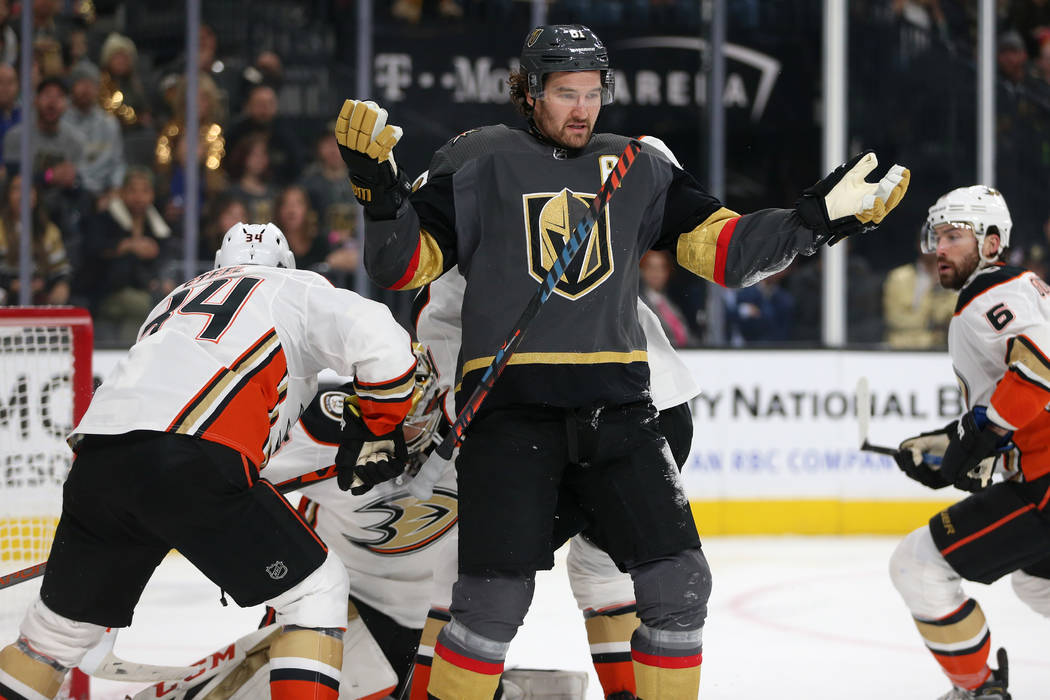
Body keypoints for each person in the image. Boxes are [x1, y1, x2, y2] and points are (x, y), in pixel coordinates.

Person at [336, 23, 909, 699]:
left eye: (592, 92)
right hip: (513, 422)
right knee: (491, 603)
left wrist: (810, 223)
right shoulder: (477, 160)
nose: (581, 108)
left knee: (680, 582)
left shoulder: (637, 165)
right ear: (527, 93)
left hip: (623, 413)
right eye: (563, 93)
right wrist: (379, 197)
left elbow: (721, 250)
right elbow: (405, 266)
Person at [0, 222, 419, 700]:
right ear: (286, 265)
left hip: (97, 459)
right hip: (193, 450)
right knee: (315, 592)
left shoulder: (172, 301)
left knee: (52, 639)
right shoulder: (297, 286)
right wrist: (380, 424)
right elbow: (382, 339)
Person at [889, 186, 1050, 700]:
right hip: (1037, 471)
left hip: (1045, 482)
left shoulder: (992, 296)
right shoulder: (1019, 288)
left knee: (918, 564)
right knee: (1034, 581)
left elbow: (1039, 364)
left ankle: (978, 692)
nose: (940, 247)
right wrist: (956, 442)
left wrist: (984, 434)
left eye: (954, 236)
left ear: (992, 242)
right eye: (937, 236)